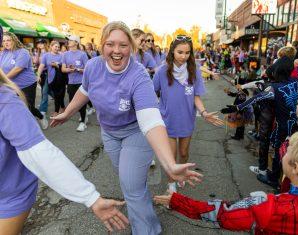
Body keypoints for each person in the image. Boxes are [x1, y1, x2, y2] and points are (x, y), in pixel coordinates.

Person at [50, 21, 203, 235]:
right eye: (110, 44)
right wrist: (68, 112)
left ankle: (147, 230)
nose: (116, 50)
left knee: (131, 187)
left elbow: (151, 119)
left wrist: (169, 163)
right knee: (130, 183)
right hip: (109, 133)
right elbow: (85, 90)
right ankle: (145, 209)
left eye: (123, 45)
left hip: (135, 132)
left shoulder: (138, 75)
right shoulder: (93, 66)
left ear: (131, 47)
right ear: (102, 45)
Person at [0, 67, 129, 234]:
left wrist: (91, 198)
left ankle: (82, 119)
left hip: (8, 196)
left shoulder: (6, 103)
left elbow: (42, 154)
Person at [154, 128, 298, 235]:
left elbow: (222, 213)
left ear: (295, 168)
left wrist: (177, 200)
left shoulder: (269, 206)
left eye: (288, 150)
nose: (283, 152)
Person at [153, 35, 223, 192]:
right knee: (171, 156)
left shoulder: (194, 70)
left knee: (184, 153)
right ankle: (171, 184)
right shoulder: (161, 71)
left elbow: (195, 96)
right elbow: (152, 94)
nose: (183, 56)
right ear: (172, 52)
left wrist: (204, 112)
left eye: (187, 53)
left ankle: (182, 172)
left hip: (187, 119)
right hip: (167, 119)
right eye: (180, 52)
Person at [221, 47, 298, 188]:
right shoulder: (295, 82)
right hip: (293, 124)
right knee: (286, 151)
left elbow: (256, 98)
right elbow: (258, 86)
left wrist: (237, 107)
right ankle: (276, 177)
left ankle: (274, 179)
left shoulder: (274, 88)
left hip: (282, 126)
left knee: (278, 151)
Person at [0, 32, 48, 129]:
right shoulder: (4, 53)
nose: (6, 43)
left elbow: (17, 69)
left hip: (27, 85)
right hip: (12, 86)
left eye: (8, 40)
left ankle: (41, 117)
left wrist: (3, 80)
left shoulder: (23, 52)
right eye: (4, 41)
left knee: (28, 108)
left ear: (14, 40)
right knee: (14, 107)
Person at [61, 35, 89, 132]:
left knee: (81, 102)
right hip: (71, 82)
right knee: (73, 102)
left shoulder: (82, 54)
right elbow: (63, 69)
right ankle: (84, 115)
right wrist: (69, 69)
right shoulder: (65, 54)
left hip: (81, 82)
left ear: (76, 43)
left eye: (71, 40)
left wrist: (77, 69)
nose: (68, 41)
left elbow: (88, 69)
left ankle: (83, 122)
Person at [37, 40, 66, 117]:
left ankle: (56, 111)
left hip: (61, 79)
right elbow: (41, 66)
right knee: (57, 95)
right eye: (55, 46)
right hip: (51, 79)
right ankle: (63, 107)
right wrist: (38, 75)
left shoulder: (62, 55)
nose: (57, 48)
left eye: (58, 47)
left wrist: (57, 65)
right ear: (51, 46)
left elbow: (64, 66)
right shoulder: (46, 56)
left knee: (58, 94)